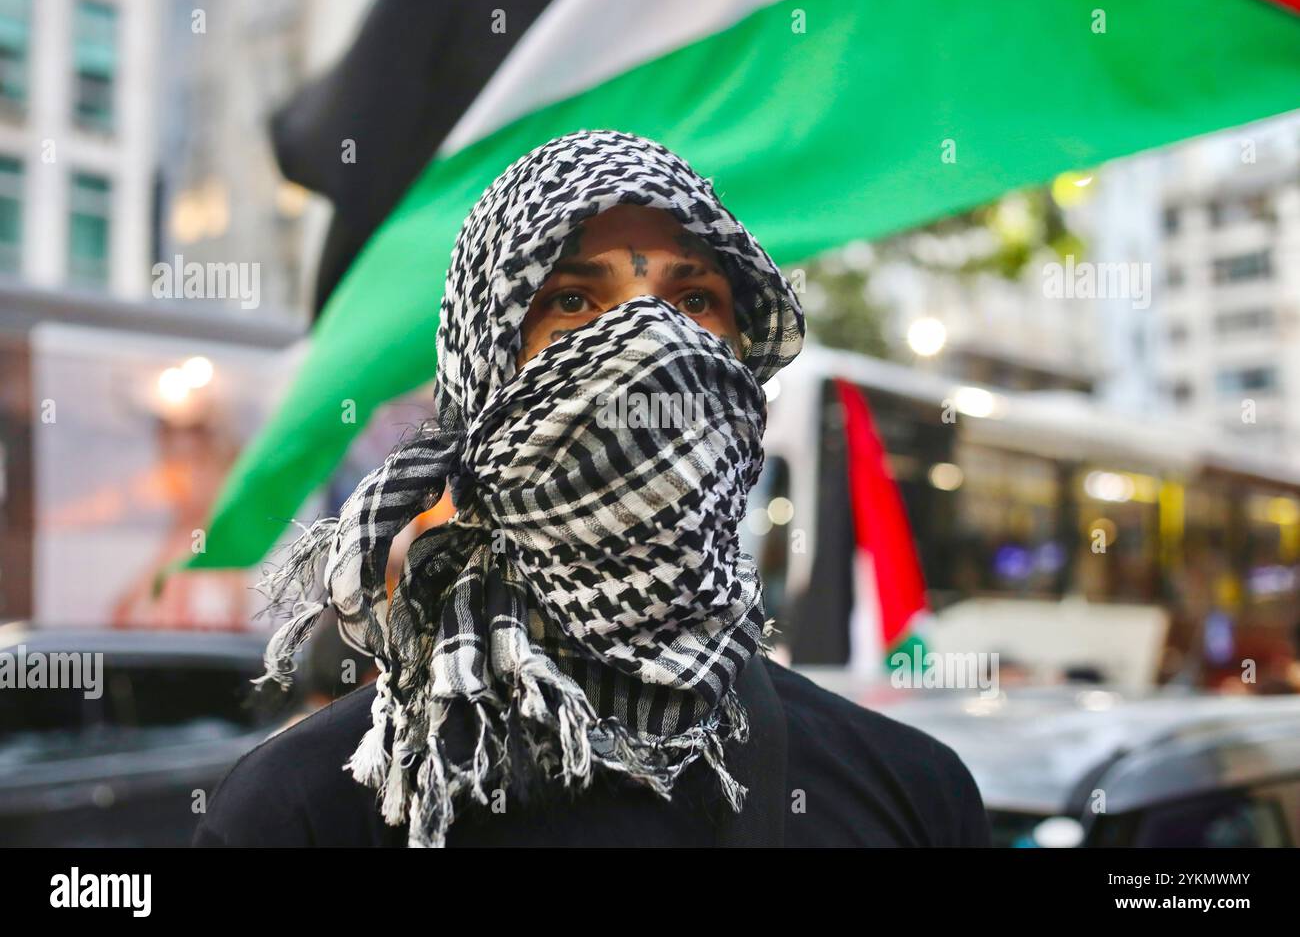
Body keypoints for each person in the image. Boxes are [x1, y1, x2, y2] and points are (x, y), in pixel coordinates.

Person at [193, 130, 990, 847]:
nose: (650, 343)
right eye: (574, 301)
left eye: (693, 301)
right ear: (486, 371)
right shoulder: (302, 815)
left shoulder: (912, 794)